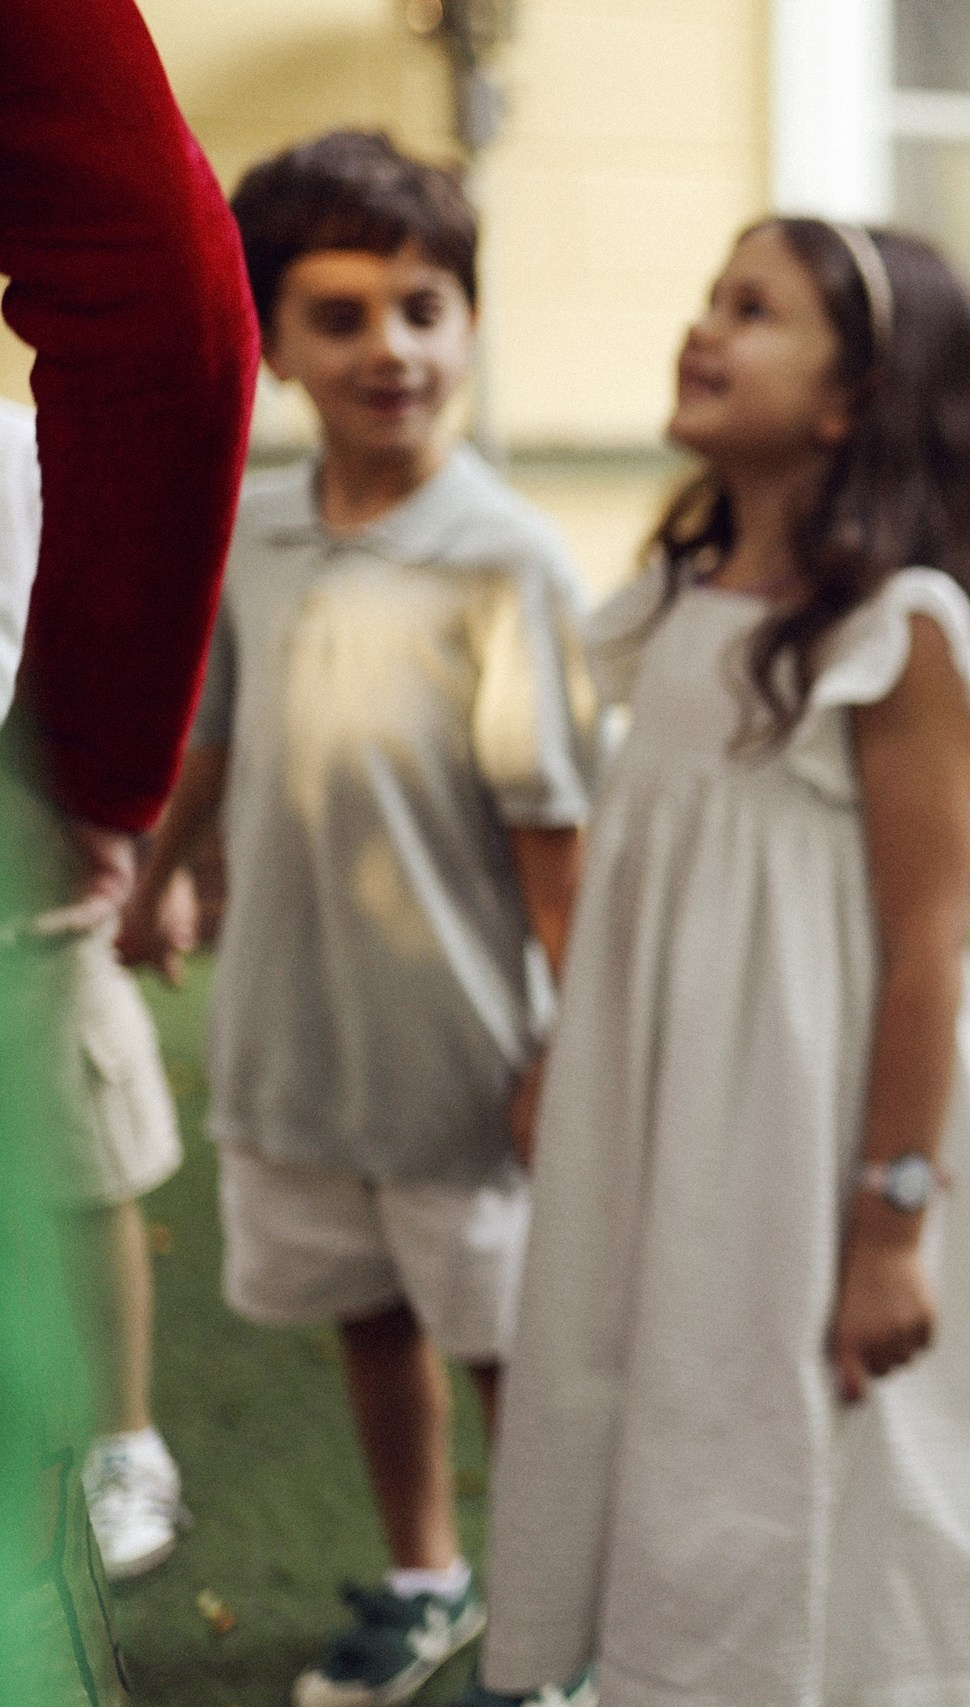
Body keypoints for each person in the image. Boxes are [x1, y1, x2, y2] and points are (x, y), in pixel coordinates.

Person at [478, 218, 970, 1707]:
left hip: (813, 1126)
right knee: (654, 1377)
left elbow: (928, 940)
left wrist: (892, 1219)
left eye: (754, 310)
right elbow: (640, 868)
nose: (703, 328)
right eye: (709, 297)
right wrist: (570, 1042)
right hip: (661, 1096)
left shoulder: (893, 632)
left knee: (780, 1423)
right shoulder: (679, 596)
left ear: (853, 397)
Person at [114, 130, 594, 1707]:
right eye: (341, 314)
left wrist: (567, 1047)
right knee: (371, 1316)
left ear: (465, 321)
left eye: (424, 304)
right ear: (279, 338)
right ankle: (424, 1573)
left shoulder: (507, 558)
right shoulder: (252, 530)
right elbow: (218, 733)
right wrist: (163, 868)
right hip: (298, 1036)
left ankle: (554, 1630)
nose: (391, 346)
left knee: (512, 1347)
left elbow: (554, 842)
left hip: (462, 1061)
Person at [0, 398, 196, 1588]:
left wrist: (151, 859)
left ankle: (126, 1440)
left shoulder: (34, 443)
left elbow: (130, 653)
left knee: (85, 1168)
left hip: (35, 889)